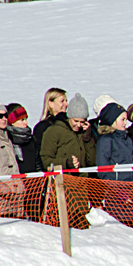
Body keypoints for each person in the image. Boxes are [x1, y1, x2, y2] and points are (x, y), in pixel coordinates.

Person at [39, 93, 96, 229]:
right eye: (75, 121)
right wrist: (66, 163)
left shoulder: (83, 134)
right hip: (61, 193)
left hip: (81, 195)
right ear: (69, 117)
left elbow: (92, 162)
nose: (78, 125)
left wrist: (88, 139)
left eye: (82, 122)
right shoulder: (53, 132)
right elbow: (46, 161)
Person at [95, 102, 133, 228]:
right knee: (121, 231)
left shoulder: (127, 139)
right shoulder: (106, 141)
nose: (126, 123)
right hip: (116, 197)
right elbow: (103, 171)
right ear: (112, 121)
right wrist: (119, 193)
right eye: (122, 119)